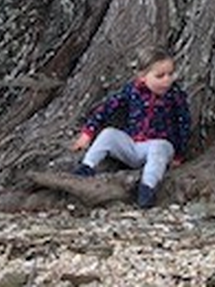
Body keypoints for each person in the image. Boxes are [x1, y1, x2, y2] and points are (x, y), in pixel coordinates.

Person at [69, 47, 191, 208]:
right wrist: (88, 132)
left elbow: (184, 123)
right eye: (160, 76)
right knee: (108, 134)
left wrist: (179, 154)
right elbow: (107, 108)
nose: (167, 80)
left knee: (159, 147)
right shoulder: (132, 91)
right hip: (132, 144)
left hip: (159, 146)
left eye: (171, 74)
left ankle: (147, 188)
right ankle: (87, 167)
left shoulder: (175, 95)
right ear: (142, 77)